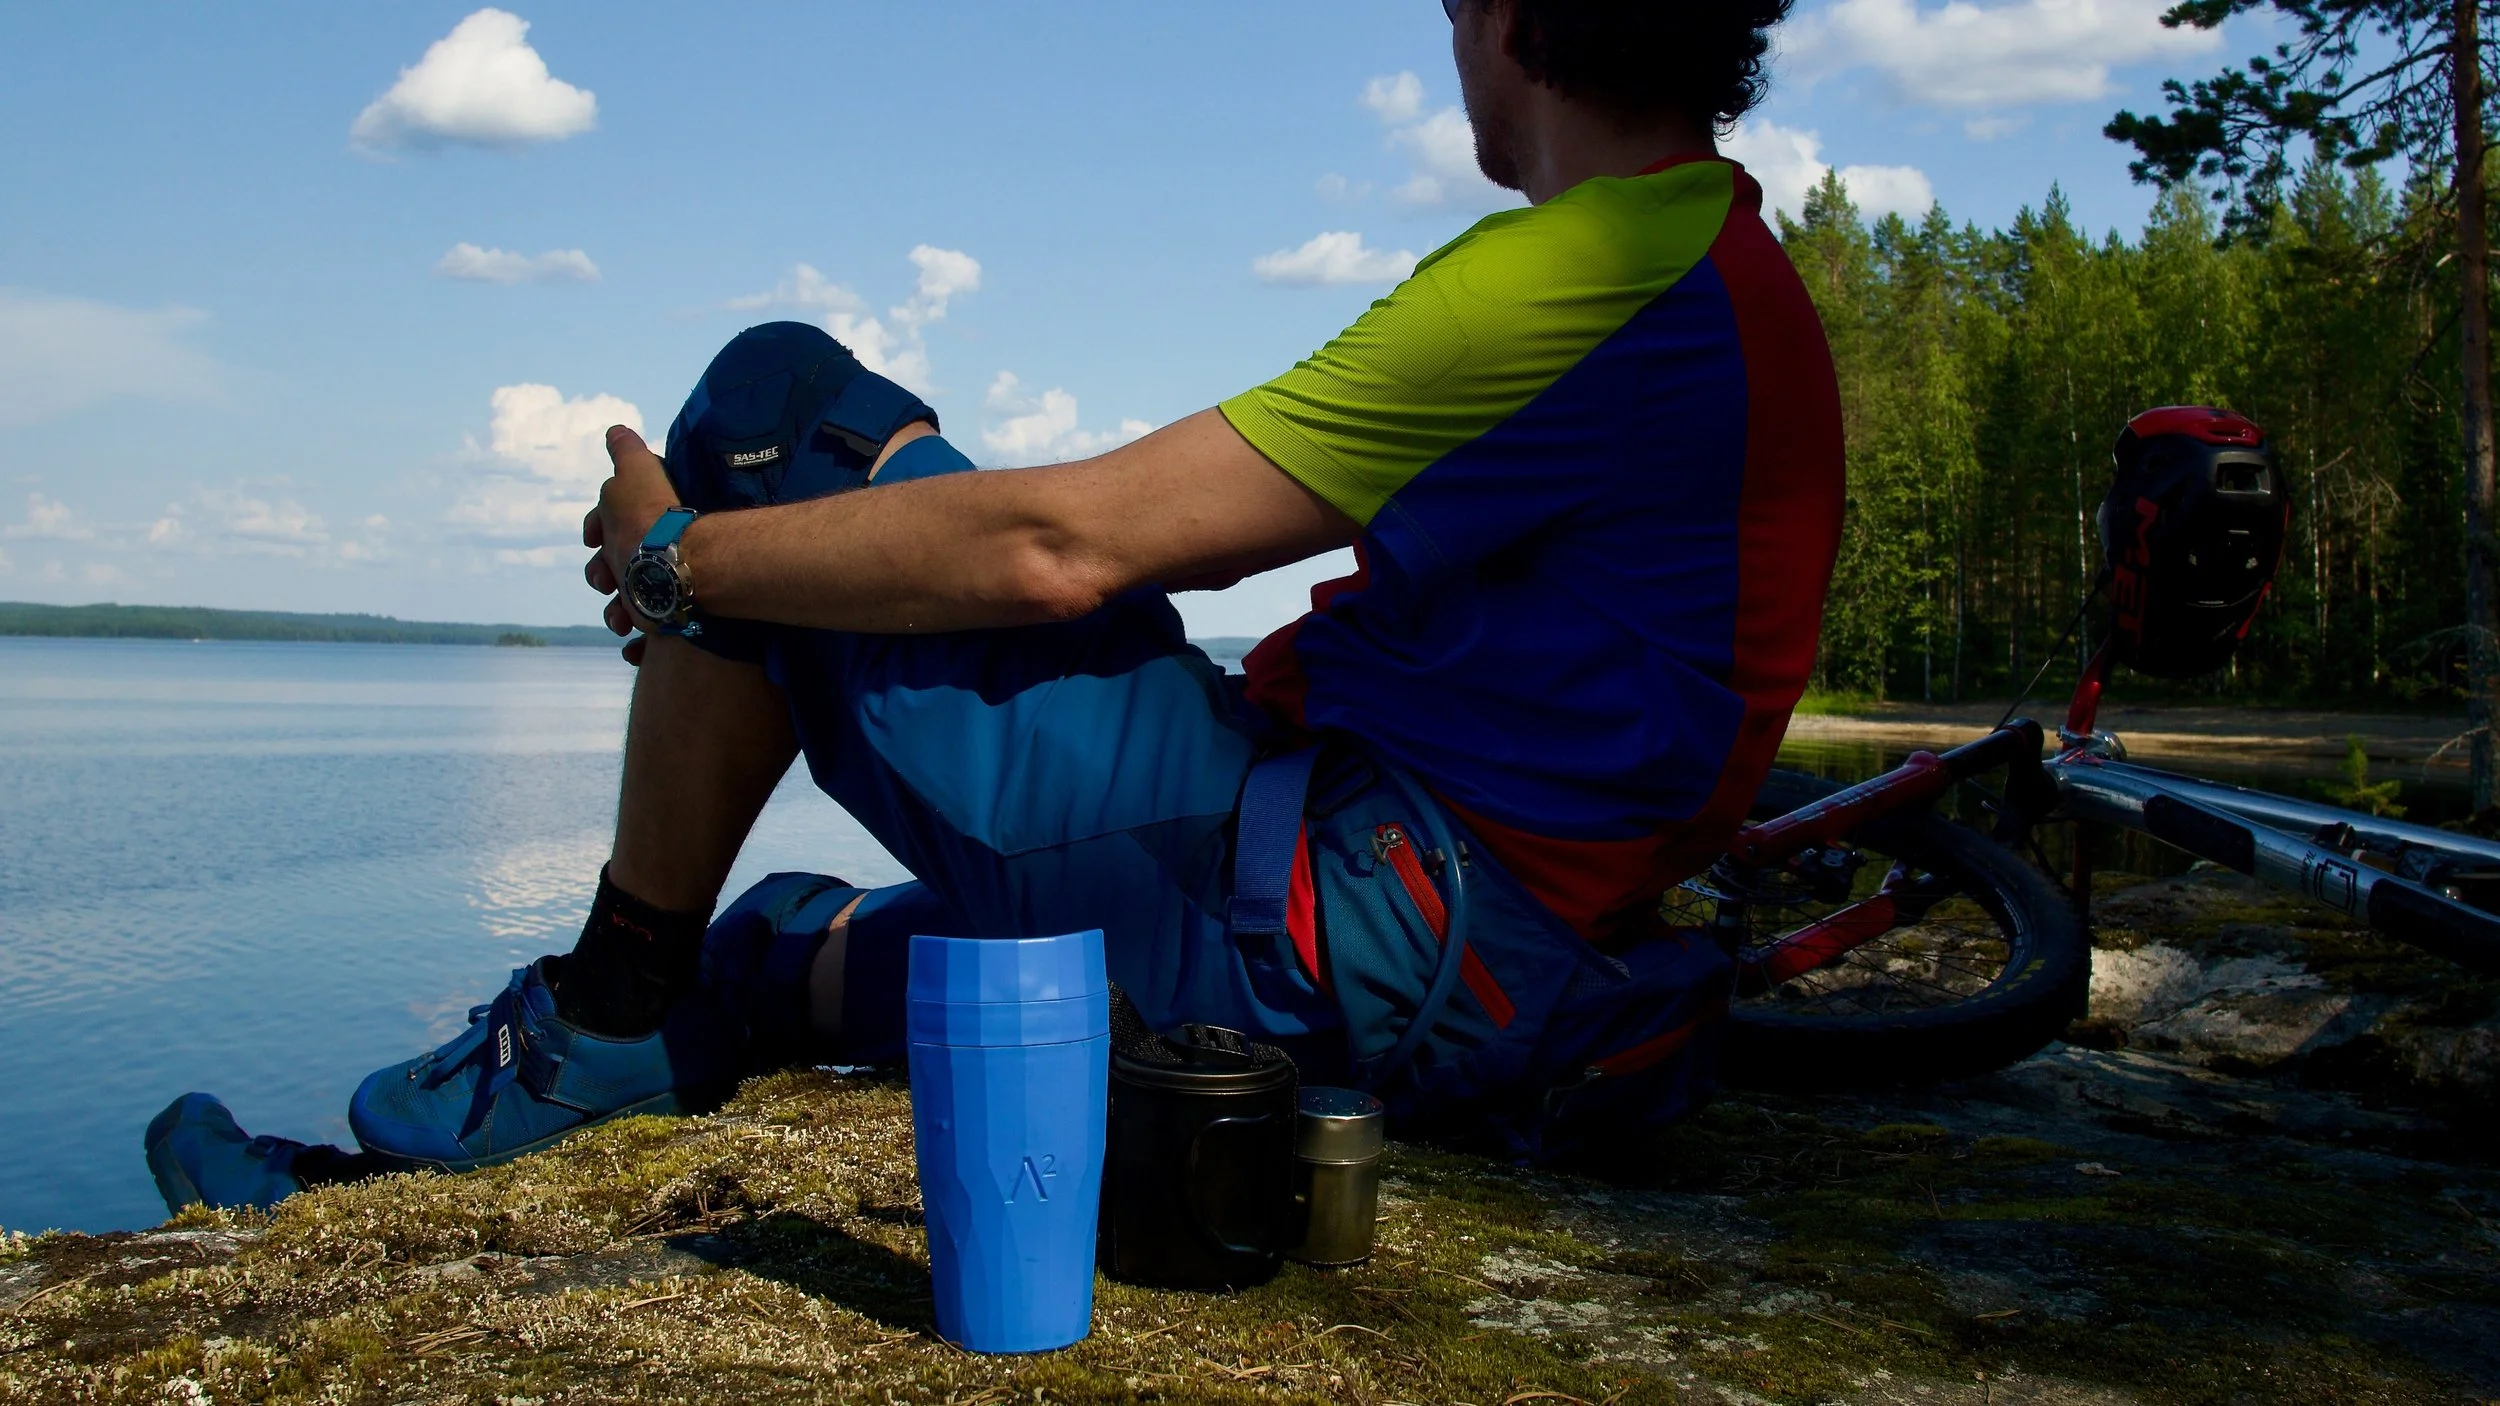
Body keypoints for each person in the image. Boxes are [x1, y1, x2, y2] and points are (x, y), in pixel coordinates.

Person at [149, 0, 1842, 1208]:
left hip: (1331, 940)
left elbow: (1071, 549)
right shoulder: (1713, 264)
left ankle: (586, 1021)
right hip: (1459, 952)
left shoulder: (1584, 274)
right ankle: (473, 1124)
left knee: (774, 405)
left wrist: (687, 562)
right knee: (769, 947)